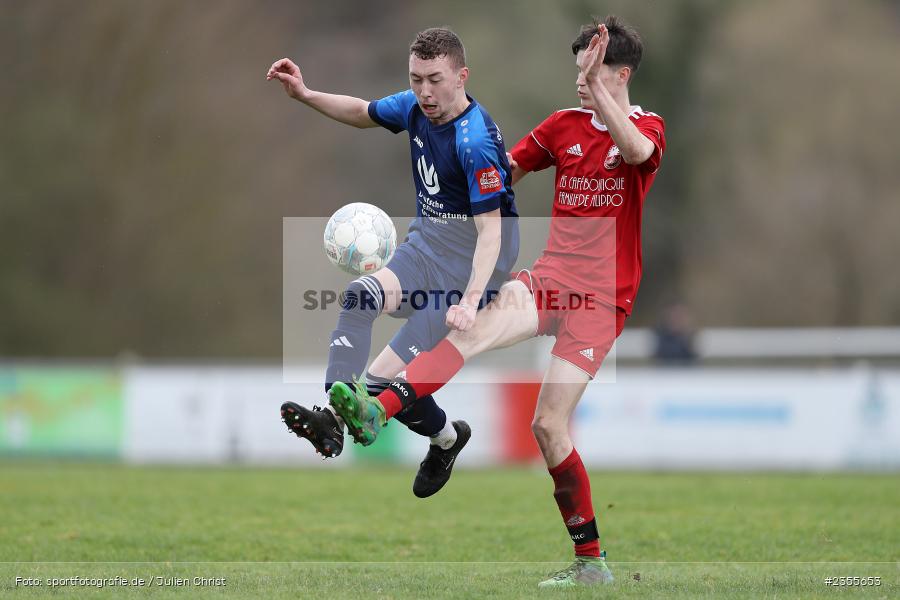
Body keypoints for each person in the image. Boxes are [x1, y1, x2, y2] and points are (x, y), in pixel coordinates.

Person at [328, 17, 665, 588]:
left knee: (548, 427)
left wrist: (602, 96)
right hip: (551, 279)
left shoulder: (647, 127)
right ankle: (375, 411)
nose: (581, 79)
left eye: (593, 69)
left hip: (602, 300)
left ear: (621, 73)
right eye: (578, 68)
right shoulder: (563, 126)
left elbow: (634, 153)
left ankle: (590, 564)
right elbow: (496, 172)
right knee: (468, 328)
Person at [266, 27, 519, 498]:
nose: (425, 91)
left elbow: (491, 233)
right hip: (426, 248)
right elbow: (362, 113)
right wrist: (304, 94)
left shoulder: (475, 142)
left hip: (470, 270)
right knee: (359, 296)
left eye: (436, 79)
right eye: (416, 78)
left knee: (383, 381)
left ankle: (447, 440)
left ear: (462, 76)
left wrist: (468, 302)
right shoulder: (413, 106)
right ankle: (334, 406)